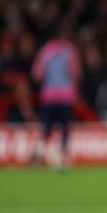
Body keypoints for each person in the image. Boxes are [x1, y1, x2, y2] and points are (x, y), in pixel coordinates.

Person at [31, 27, 81, 170]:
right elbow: (75, 73)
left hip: (49, 95)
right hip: (66, 95)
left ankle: (39, 155)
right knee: (65, 128)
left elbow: (37, 74)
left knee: (46, 126)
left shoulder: (45, 51)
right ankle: (63, 160)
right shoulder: (70, 51)